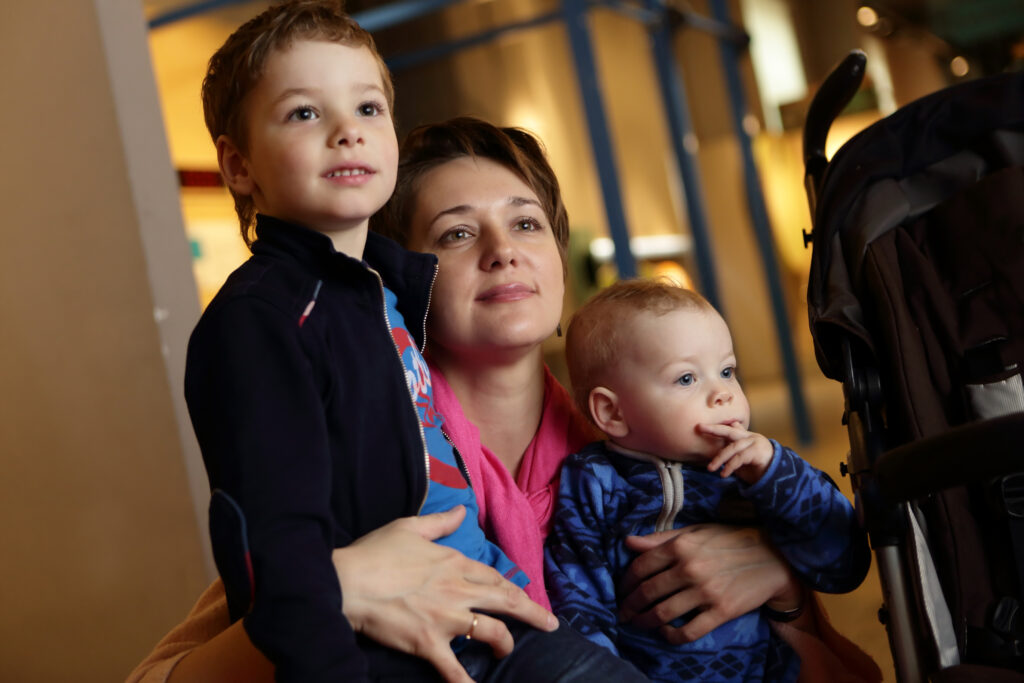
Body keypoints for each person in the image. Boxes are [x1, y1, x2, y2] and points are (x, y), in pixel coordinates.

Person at [129, 114, 880, 683]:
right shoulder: (378, 469)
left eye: (526, 222)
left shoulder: (656, 446)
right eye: (456, 234)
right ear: (399, 279)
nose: (504, 249)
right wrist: (338, 587)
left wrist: (778, 577)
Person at [181, 1, 645, 681]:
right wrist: (345, 587)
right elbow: (270, 567)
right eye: (306, 112)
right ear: (239, 164)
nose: (347, 132)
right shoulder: (271, 317)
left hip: (500, 618)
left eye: (368, 109)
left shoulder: (379, 298)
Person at [544, 278, 873, 681]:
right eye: (687, 378)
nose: (723, 394)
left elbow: (845, 561)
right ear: (612, 414)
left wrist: (775, 472)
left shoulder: (757, 473)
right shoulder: (593, 483)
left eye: (726, 370)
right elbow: (580, 606)